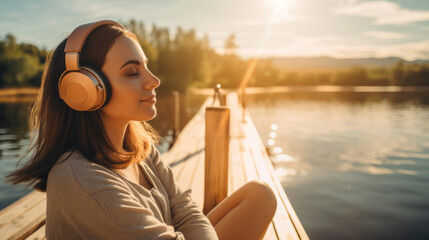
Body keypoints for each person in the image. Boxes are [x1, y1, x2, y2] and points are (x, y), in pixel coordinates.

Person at [6, 20, 277, 240]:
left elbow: (184, 210)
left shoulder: (139, 147)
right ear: (83, 90)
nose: (154, 81)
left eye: (146, 67)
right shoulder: (80, 179)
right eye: (132, 72)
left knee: (260, 195)